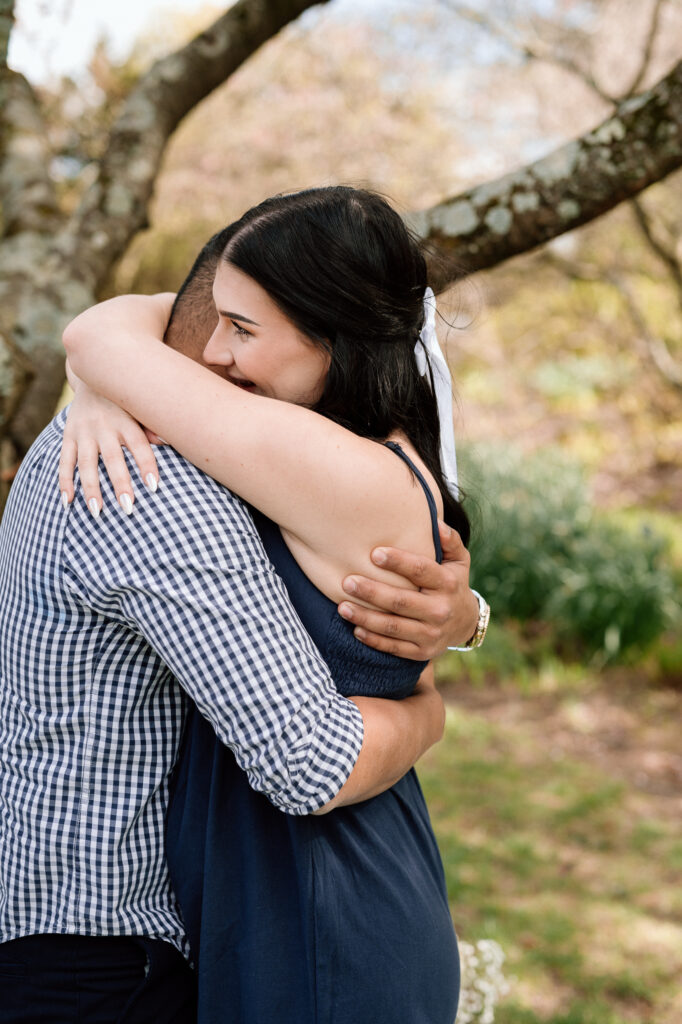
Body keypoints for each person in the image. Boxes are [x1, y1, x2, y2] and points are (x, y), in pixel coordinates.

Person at [0, 203, 480, 1023]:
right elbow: (108, 339)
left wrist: (446, 666)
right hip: (129, 935)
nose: (218, 354)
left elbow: (105, 335)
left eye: (243, 329)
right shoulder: (153, 467)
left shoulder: (278, 460)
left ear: (335, 336)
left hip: (318, 885)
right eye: (216, 322)